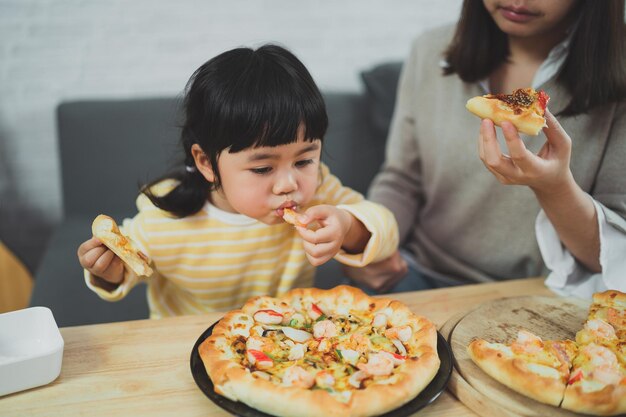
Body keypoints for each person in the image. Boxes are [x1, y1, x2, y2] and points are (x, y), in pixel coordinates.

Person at [77, 45, 398, 317]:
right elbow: (123, 273)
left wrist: (346, 226)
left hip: (285, 345)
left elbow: (385, 226)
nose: (288, 184)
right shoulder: (164, 220)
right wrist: (107, 271)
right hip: (191, 348)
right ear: (207, 163)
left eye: (303, 160)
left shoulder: (318, 195)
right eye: (262, 169)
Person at [344, 0, 626, 297]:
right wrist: (369, 239)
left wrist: (555, 188)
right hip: (419, 274)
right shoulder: (430, 50)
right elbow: (402, 180)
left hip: (542, 294)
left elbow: (610, 256)